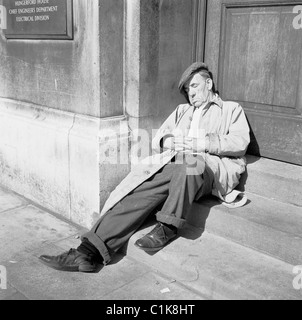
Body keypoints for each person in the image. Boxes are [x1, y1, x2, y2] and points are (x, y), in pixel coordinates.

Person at [39, 62, 250, 273]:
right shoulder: (182, 111)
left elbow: (240, 142)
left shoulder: (230, 110)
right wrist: (169, 142)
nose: (191, 93)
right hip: (175, 164)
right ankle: (87, 252)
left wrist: (203, 143)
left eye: (194, 86)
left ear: (209, 83)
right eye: (187, 90)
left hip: (208, 168)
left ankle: (167, 227)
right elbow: (159, 137)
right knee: (138, 193)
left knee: (189, 164)